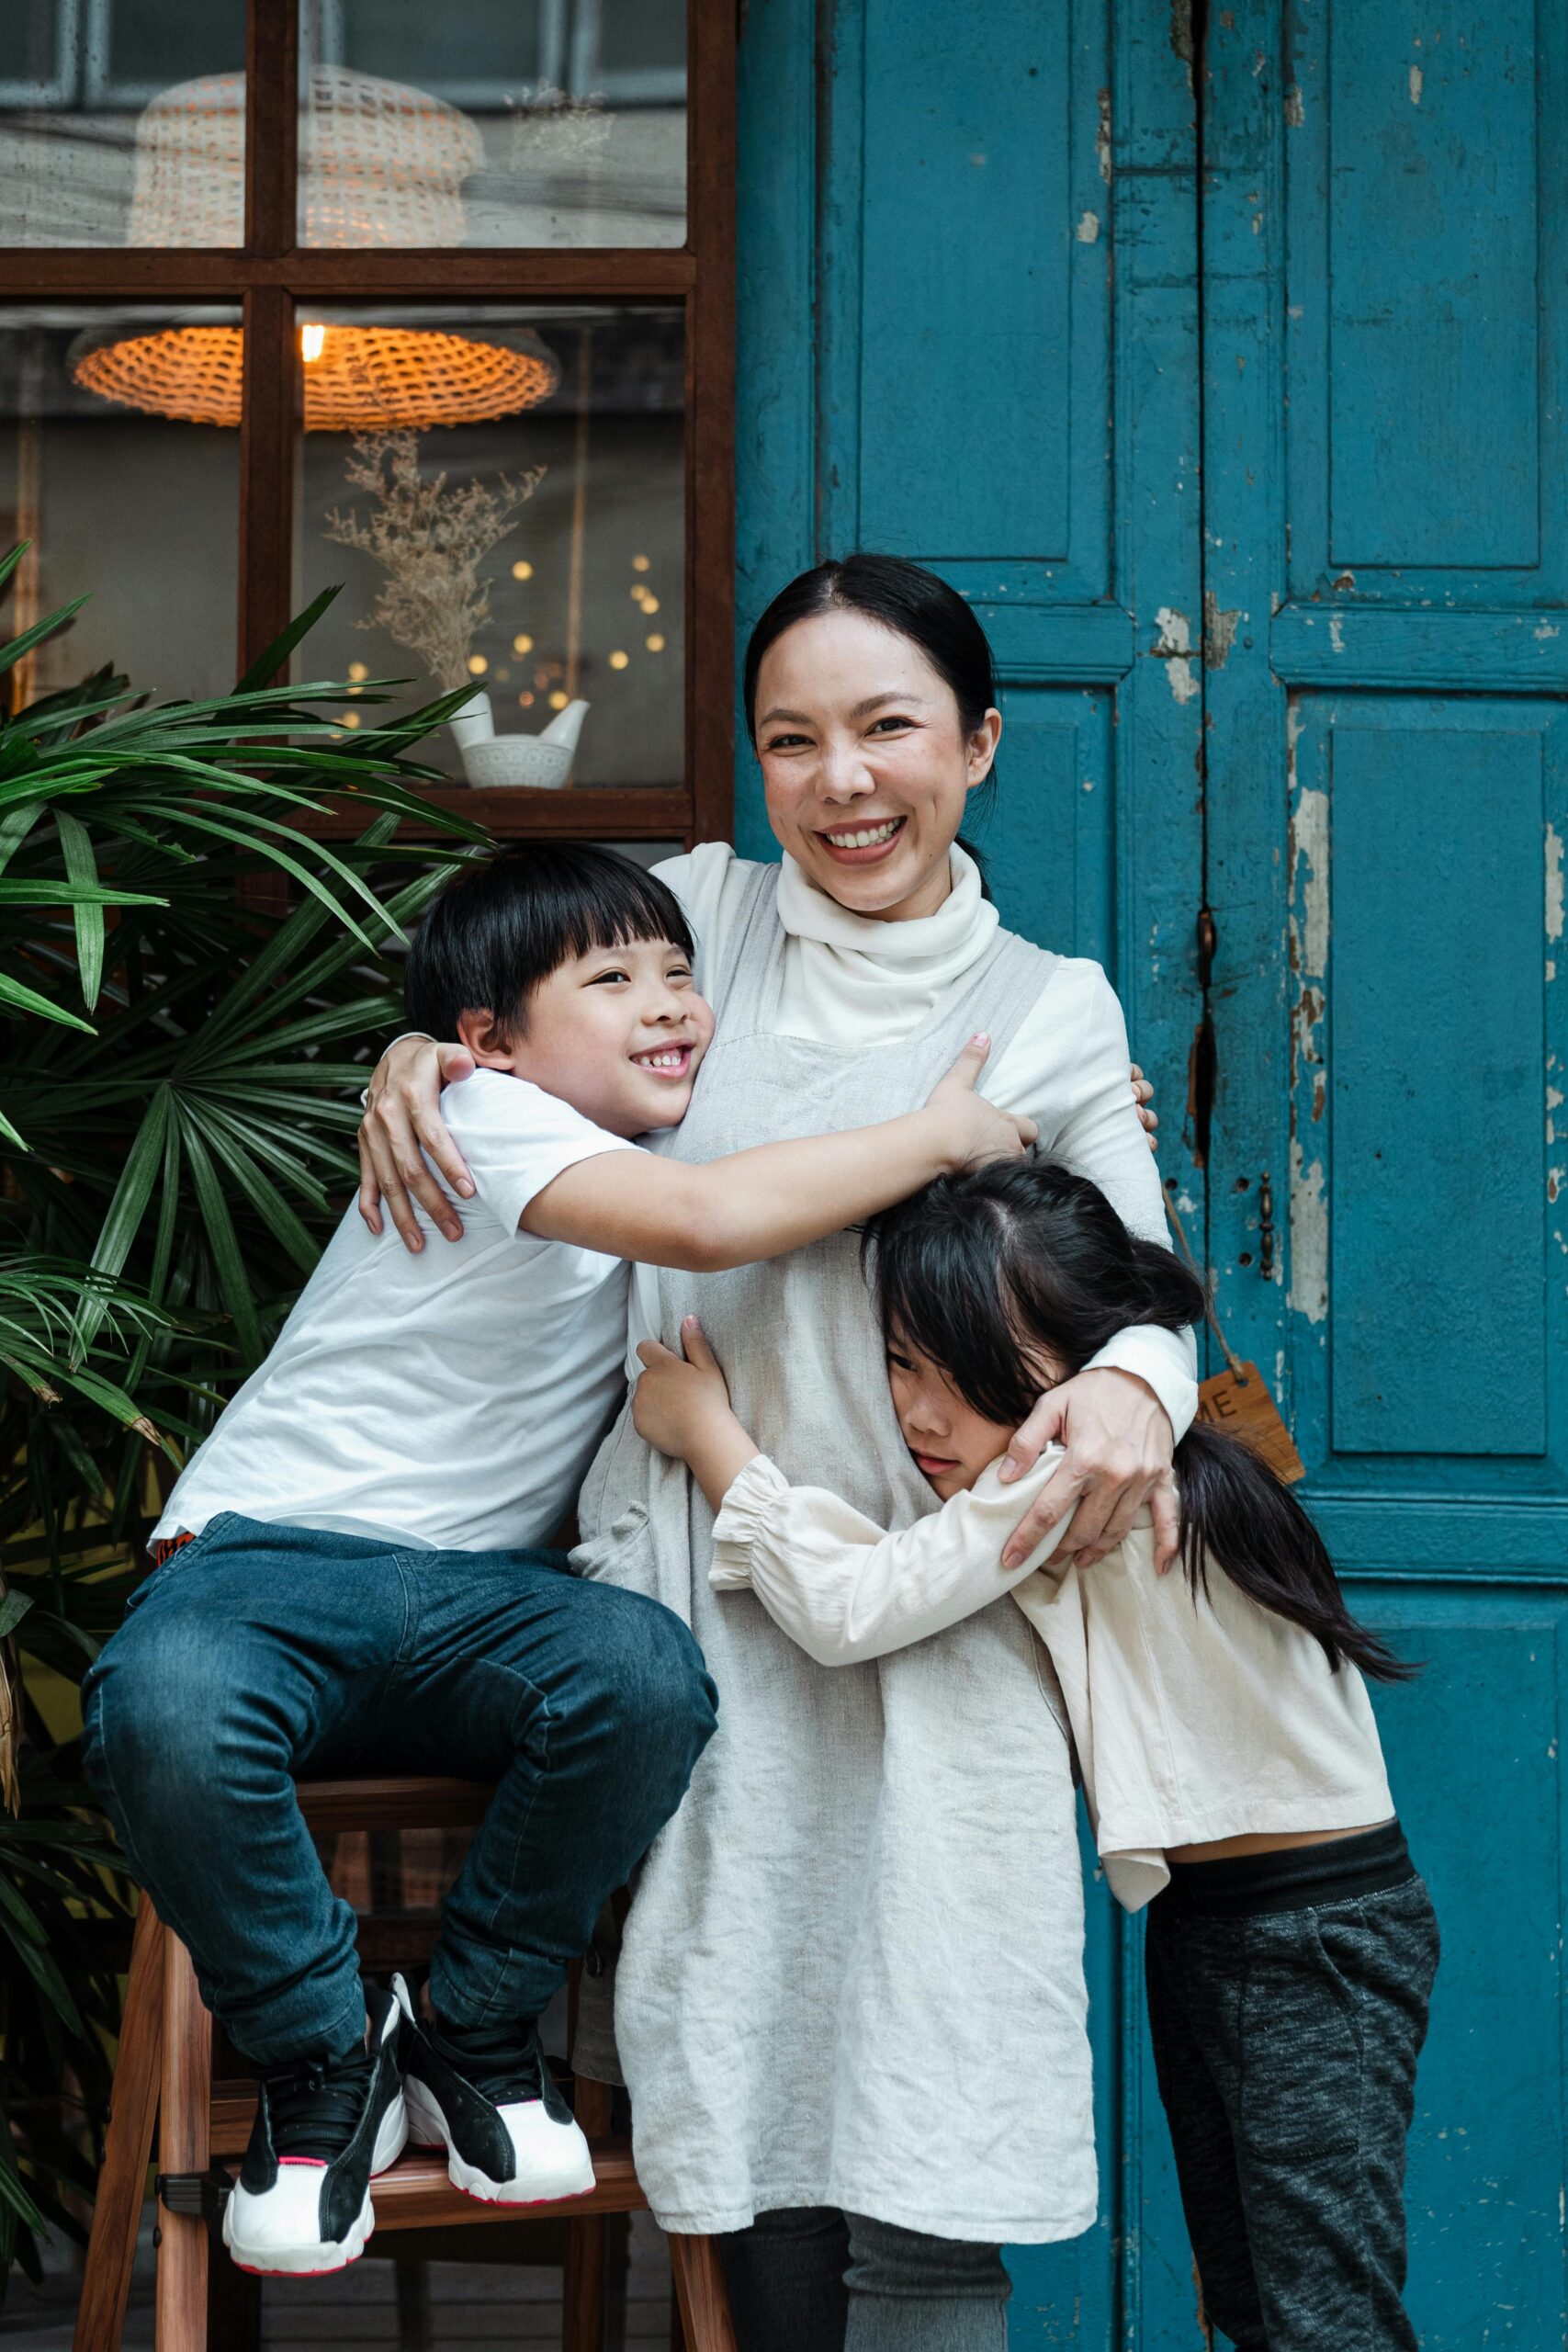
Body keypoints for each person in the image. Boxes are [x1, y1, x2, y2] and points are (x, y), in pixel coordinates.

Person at [356, 556, 1198, 2351]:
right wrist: (421, 1056)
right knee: (746, 2151)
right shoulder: (701, 917)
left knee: (925, 2143)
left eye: (887, 727)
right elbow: (508, 1004)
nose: (841, 781)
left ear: (975, 740)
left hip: (929, 1627)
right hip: (701, 1612)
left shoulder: (1046, 1007)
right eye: (791, 738)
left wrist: (1131, 1391)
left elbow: (1144, 1297)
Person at [81, 840, 1033, 2281]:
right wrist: (953, 1132)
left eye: (678, 973)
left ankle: (469, 2031)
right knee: (162, 1703)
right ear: (491, 1045)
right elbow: (718, 1220)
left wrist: (1072, 1118)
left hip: (491, 1601)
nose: (670, 1004)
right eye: (611, 980)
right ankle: (325, 2065)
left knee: (644, 1678)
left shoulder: (642, 1149)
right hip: (271, 1564)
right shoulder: (500, 1122)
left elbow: (748, 1173)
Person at [631, 1158, 1438, 2352]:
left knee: (1323, 2317)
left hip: (1307, 1930)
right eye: (901, 1362)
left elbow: (854, 1604)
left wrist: (711, 1440)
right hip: (1228, 1922)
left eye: (967, 1377)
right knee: (1264, 2300)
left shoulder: (1064, 1473)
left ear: (1093, 1364)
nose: (919, 1415)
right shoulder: (1127, 1455)